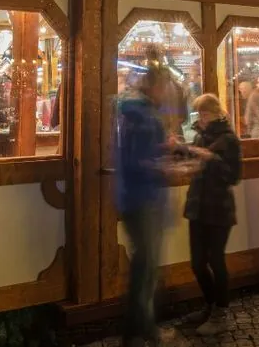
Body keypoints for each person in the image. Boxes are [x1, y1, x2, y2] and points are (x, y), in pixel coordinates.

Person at [115, 52, 173, 346]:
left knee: (146, 266)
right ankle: (140, 332)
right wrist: (162, 163)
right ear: (153, 87)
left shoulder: (139, 114)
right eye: (164, 87)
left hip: (140, 197)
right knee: (146, 267)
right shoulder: (141, 116)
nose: (167, 93)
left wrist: (164, 147)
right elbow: (138, 161)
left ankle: (138, 330)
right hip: (143, 198)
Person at [181, 94, 242, 336]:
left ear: (216, 113)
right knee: (197, 263)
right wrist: (180, 151)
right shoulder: (199, 136)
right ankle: (209, 304)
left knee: (216, 260)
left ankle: (221, 312)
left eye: (205, 113)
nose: (202, 118)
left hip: (219, 209)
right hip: (197, 207)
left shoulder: (229, 140)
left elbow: (234, 176)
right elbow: (195, 165)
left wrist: (211, 159)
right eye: (199, 114)